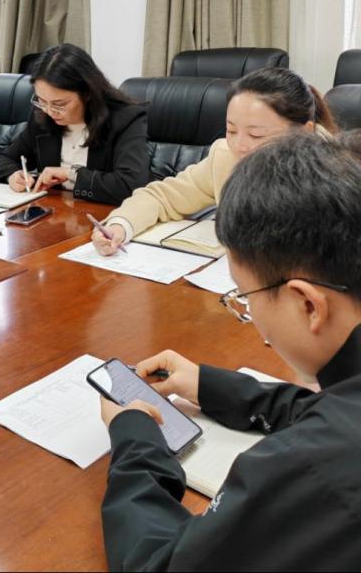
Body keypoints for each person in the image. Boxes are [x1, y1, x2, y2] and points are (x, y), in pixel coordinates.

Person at [98, 133, 361, 570]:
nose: (249, 314)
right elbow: (330, 408)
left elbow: (159, 564)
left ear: (308, 305)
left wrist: (134, 439)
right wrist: (210, 385)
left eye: (244, 296)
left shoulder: (311, 464)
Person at [92, 67, 337, 255]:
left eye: (256, 135)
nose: (240, 146)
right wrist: (120, 226)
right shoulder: (225, 157)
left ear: (305, 132)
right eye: (231, 130)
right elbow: (161, 197)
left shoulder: (337, 176)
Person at [0, 44, 150, 204]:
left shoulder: (126, 119)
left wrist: (71, 174)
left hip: (105, 213)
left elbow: (130, 186)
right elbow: (7, 159)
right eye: (41, 101)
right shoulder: (42, 116)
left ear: (87, 93)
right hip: (56, 211)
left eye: (59, 104)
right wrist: (14, 175)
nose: (50, 111)